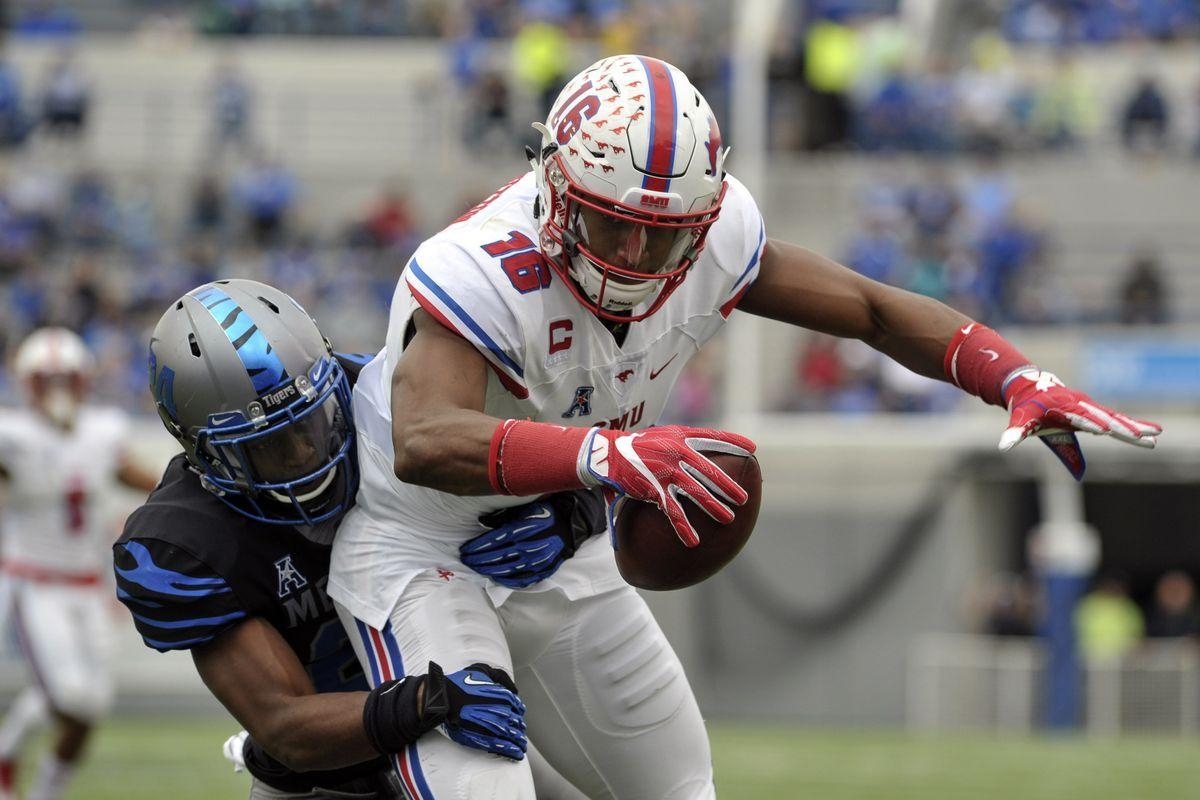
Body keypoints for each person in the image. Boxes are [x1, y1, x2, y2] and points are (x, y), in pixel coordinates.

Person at [328, 54, 1162, 798]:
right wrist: (603, 457)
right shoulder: (482, 265)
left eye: (662, 236)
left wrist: (1008, 372)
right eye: (609, 220)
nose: (632, 255)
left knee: (682, 786)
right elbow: (426, 438)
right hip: (424, 553)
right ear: (552, 181)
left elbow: (870, 309)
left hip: (556, 544)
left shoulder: (719, 235)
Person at [115, 279, 597, 799]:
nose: (306, 455)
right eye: (268, 447)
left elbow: (586, 449)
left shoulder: (385, 399)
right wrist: (427, 701)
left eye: (313, 422)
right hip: (327, 772)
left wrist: (570, 513)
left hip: (467, 700)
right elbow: (286, 726)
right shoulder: (185, 544)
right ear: (203, 452)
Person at [0, 327, 159, 800]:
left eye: (66, 379)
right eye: (46, 381)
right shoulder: (12, 435)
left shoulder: (103, 431)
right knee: (70, 697)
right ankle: (10, 757)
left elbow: (149, 481)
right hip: (35, 582)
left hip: (88, 585)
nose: (57, 391)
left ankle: (33, 778)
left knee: (91, 702)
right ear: (27, 383)